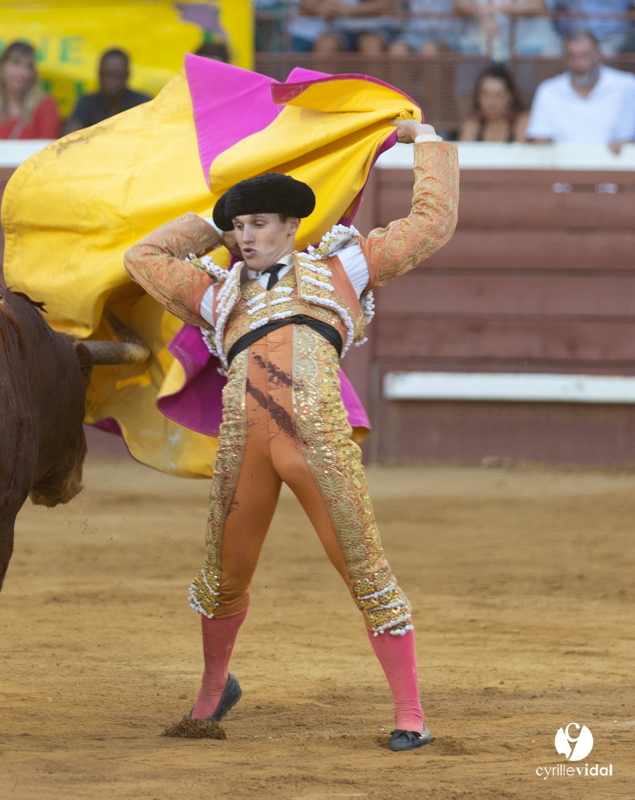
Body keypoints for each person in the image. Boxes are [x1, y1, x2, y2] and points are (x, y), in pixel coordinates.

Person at [123, 117, 458, 752]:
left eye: (258, 224)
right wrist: (209, 221)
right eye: (238, 227)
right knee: (223, 578)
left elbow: (430, 225)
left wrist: (429, 143)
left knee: (364, 570)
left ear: (291, 225)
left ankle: (410, 711)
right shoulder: (218, 294)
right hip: (243, 449)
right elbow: (141, 258)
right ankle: (213, 689)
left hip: (318, 446)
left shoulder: (342, 267)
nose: (246, 237)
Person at [527, 30, 635, 151]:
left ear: (599, 54)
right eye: (571, 56)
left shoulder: (627, 85)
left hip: (617, 162)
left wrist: (628, 146)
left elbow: (629, 138)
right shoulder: (548, 91)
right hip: (562, 162)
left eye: (585, 55)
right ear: (564, 58)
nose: (579, 63)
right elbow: (540, 140)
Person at [63, 49, 151, 135]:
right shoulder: (87, 102)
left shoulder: (142, 104)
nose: (111, 82)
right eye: (106, 75)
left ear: (127, 75)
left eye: (117, 76)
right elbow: (70, 137)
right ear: (99, 74)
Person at [295, 0, 403, 53]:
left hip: (379, 26)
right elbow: (307, 4)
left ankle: (373, 91)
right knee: (326, 43)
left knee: (370, 43)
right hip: (342, 29)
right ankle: (324, 90)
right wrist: (320, 8)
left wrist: (350, 10)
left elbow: (388, 5)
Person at [458, 64, 530, 140]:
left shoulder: (522, 122)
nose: (491, 102)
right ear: (478, 97)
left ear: (510, 96)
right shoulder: (472, 126)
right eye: (486, 95)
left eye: (498, 95)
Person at [553, 0, 635, 56]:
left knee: (606, 53)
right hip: (576, 34)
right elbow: (554, 8)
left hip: (614, 36)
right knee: (555, 52)